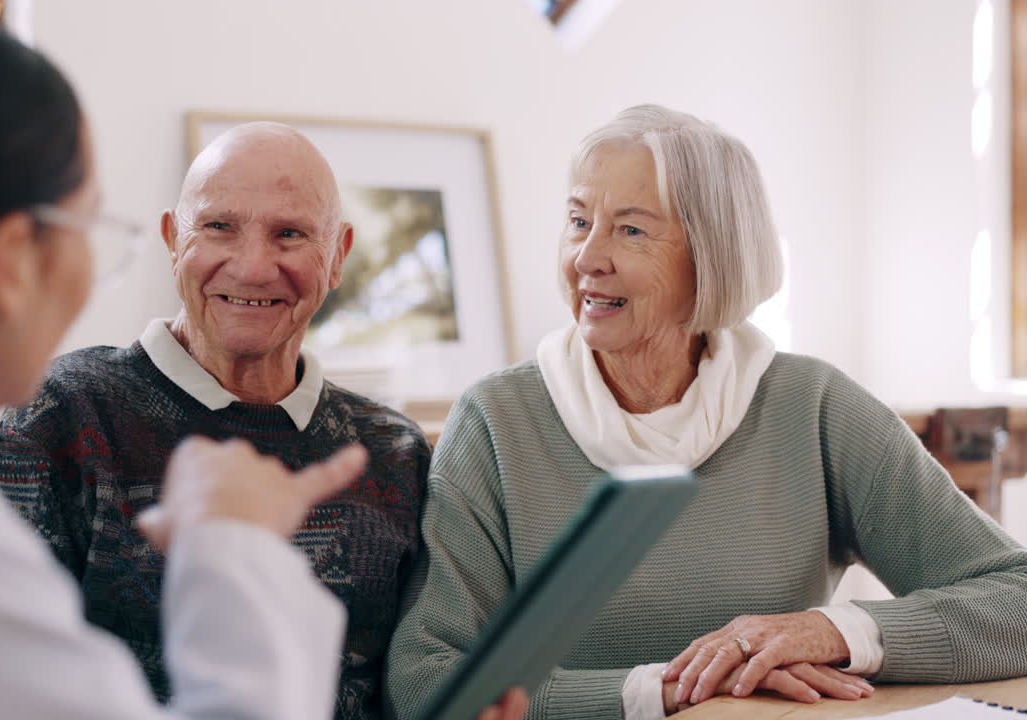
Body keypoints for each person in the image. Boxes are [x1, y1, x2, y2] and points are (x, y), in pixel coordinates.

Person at [0, 10, 529, 720]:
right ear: (12, 256)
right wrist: (234, 546)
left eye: (289, 234)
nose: (251, 265)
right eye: (91, 226)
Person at [385, 104, 1027, 720]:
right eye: (579, 221)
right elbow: (425, 683)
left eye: (630, 230)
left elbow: (1015, 599)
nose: (587, 258)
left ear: (712, 253)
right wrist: (669, 691)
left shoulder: (813, 407)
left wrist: (829, 631)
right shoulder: (497, 422)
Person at [0, 122, 431, 718]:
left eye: (290, 234)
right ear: (173, 239)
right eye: (219, 226)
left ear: (337, 257)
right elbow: (3, 679)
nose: (252, 267)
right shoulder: (59, 413)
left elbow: (414, 686)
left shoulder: (394, 449)